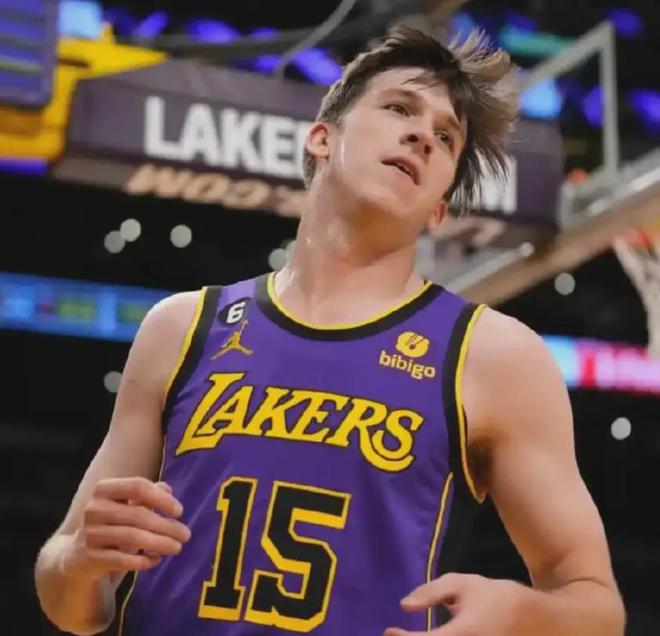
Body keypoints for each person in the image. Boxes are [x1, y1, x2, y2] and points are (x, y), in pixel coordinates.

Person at [35, 27, 625, 636]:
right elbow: (66, 593)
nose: (423, 134)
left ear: (439, 208)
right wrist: (79, 563)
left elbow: (596, 607)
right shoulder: (181, 328)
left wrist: (522, 617)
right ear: (322, 138)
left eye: (446, 137)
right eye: (399, 108)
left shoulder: (493, 356)